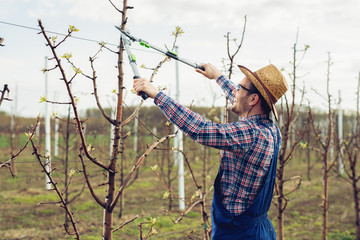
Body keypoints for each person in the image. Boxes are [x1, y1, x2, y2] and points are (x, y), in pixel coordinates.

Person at [133, 63, 288, 239]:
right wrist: (218, 77)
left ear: (253, 100)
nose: (234, 92)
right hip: (260, 230)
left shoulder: (250, 134)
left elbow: (202, 129)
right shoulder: (271, 130)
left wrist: (157, 95)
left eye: (239, 88)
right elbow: (240, 99)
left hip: (240, 234)